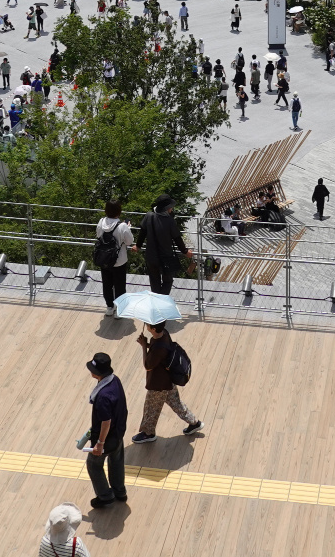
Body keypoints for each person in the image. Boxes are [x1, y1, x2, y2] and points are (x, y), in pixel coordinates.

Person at [131, 320, 202, 443]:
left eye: (148, 324)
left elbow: (148, 365)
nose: (146, 324)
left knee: (150, 408)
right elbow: (158, 352)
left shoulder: (159, 347)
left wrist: (143, 347)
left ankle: (148, 433)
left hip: (158, 384)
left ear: (153, 329)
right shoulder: (164, 334)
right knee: (176, 403)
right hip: (168, 380)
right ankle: (194, 423)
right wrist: (147, 344)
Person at [84, 352, 129, 509]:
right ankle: (119, 492)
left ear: (97, 373)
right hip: (118, 433)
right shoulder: (115, 380)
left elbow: (106, 422)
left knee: (93, 464)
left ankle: (105, 496)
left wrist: (100, 443)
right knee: (116, 461)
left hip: (106, 438)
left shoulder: (103, 396)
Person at [138, 194, 189, 296]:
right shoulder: (169, 220)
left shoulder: (149, 216)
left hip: (151, 255)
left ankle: (157, 299)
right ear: (167, 208)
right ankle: (161, 299)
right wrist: (185, 251)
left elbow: (142, 232)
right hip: (166, 256)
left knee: (154, 281)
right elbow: (177, 238)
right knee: (168, 280)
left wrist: (138, 246)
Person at [96, 200, 134, 313]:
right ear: (119, 211)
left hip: (104, 258)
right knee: (120, 286)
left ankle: (109, 307)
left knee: (107, 284)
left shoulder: (101, 222)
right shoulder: (122, 226)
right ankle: (119, 310)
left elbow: (98, 235)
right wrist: (128, 228)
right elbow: (129, 242)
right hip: (119, 260)